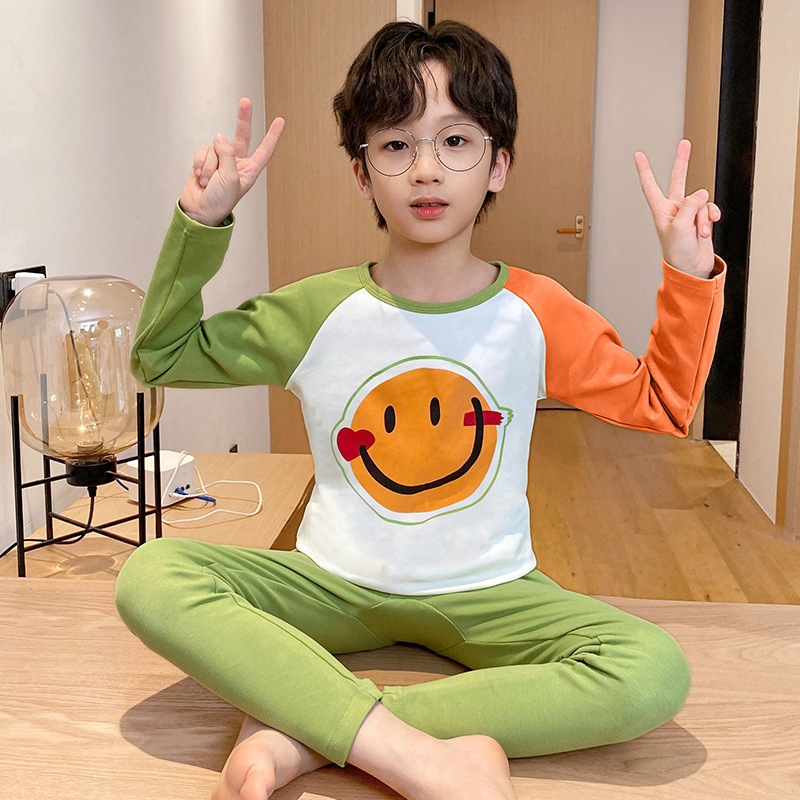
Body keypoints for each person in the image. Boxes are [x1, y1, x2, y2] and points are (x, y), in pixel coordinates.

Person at [115, 19, 725, 800]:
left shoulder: (537, 312)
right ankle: (412, 753)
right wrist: (201, 224)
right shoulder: (314, 312)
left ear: (498, 165)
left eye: (456, 141)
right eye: (396, 144)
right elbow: (160, 356)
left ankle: (313, 727)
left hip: (493, 592)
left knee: (652, 671)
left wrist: (688, 274)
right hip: (331, 584)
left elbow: (662, 402)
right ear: (362, 173)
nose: (427, 169)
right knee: (152, 574)